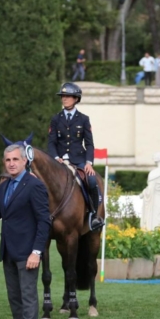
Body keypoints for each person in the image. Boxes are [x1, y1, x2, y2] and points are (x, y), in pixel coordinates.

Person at [0, 144, 51, 319]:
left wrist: (36, 252)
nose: (11, 164)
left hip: (28, 254)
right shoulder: (4, 186)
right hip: (8, 252)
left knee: (28, 298)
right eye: (8, 160)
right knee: (14, 299)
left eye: (15, 159)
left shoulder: (34, 185)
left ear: (24, 161)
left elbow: (44, 221)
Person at [48, 83, 104, 230]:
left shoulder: (84, 119)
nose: (64, 99)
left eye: (67, 96)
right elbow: (51, 142)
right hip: (59, 162)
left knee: (92, 180)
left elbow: (90, 144)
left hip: (79, 160)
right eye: (63, 96)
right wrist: (55, 157)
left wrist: (88, 163)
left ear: (76, 99)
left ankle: (94, 216)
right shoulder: (55, 119)